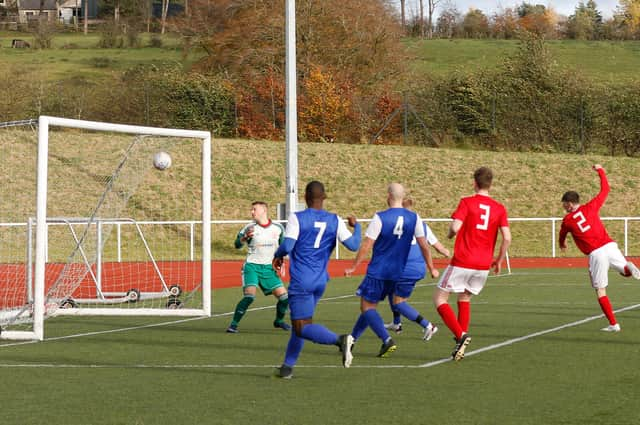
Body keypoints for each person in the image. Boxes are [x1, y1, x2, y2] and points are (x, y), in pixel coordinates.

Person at [272, 181, 361, 379]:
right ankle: (287, 367)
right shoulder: (335, 220)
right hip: (320, 281)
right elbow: (354, 245)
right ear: (325, 197)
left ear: (305, 197)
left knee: (301, 326)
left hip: (302, 281)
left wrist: (277, 254)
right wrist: (358, 227)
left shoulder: (298, 218)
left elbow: (287, 246)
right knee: (302, 324)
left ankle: (341, 340)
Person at [345, 183, 439, 358]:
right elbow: (424, 246)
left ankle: (387, 340)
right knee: (370, 307)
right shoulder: (415, 218)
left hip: (379, 271)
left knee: (367, 307)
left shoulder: (380, 217)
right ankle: (351, 340)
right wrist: (432, 267)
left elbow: (367, 245)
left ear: (388, 196)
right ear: (402, 197)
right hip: (397, 273)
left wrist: (354, 266)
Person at [433, 166, 511, 361]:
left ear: (474, 183)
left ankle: (461, 335)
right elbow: (507, 238)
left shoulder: (467, 202)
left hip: (463, 259)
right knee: (464, 298)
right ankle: (461, 342)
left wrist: (450, 234)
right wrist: (499, 260)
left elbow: (455, 226)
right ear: (490, 184)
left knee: (440, 299)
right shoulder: (499, 208)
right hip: (483, 265)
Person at [559, 164, 640, 332]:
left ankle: (613, 324)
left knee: (600, 290)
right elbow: (605, 190)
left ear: (569, 204)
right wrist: (601, 170)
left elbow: (562, 233)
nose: (563, 207)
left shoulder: (567, 220)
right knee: (624, 270)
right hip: (610, 246)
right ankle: (628, 267)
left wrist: (562, 243)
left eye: (564, 204)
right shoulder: (590, 207)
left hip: (596, 254)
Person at [385, 197, 450, 335]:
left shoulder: (397, 226)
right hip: (417, 269)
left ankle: (428, 326)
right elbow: (438, 247)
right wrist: (446, 252)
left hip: (405, 269)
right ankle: (396, 323)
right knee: (391, 289)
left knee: (399, 303)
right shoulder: (422, 225)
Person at [226, 201, 290, 333]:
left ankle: (278, 321)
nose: (252, 212)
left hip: (269, 268)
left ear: (264, 211)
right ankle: (233, 325)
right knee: (249, 296)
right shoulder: (249, 227)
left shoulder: (278, 228)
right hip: (252, 267)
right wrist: (244, 238)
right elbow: (237, 244)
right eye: (252, 209)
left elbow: (283, 247)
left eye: (254, 209)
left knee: (285, 298)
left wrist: (280, 261)